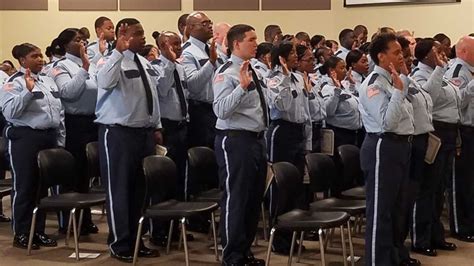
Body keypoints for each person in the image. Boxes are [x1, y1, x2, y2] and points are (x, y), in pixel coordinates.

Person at [95, 18, 162, 262]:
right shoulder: (108, 60)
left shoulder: (142, 61)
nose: (143, 37)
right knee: (119, 190)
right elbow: (104, 82)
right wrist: (117, 53)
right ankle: (119, 242)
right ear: (123, 35)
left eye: (143, 32)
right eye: (137, 33)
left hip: (143, 133)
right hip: (118, 134)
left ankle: (136, 240)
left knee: (139, 191)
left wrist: (157, 125)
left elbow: (150, 95)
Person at [358, 33, 418, 266]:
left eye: (401, 52)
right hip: (383, 146)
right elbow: (387, 122)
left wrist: (401, 85)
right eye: (396, 53)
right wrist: (399, 91)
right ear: (381, 57)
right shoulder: (374, 83)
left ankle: (394, 256)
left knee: (398, 208)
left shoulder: (395, 79)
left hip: (400, 146)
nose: (402, 56)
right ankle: (377, 261)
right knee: (381, 210)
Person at [213, 24, 269, 266]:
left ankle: (245, 251)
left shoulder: (251, 69)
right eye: (251, 39)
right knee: (236, 198)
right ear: (236, 44)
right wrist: (242, 88)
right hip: (235, 140)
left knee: (253, 199)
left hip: (256, 140)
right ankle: (232, 256)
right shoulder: (227, 72)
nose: (256, 43)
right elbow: (221, 109)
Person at [1, 43, 62, 250]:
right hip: (26, 139)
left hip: (48, 137)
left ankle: (38, 231)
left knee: (42, 188)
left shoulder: (46, 80)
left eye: (41, 56)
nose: (41, 59)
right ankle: (22, 233)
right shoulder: (13, 83)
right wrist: (27, 92)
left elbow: (57, 112)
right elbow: (10, 113)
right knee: (25, 186)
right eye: (35, 56)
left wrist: (59, 139)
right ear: (22, 61)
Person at [50, 28, 100, 235]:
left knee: (86, 175)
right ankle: (68, 222)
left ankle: (85, 219)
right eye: (77, 40)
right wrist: (84, 68)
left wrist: (88, 65)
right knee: (73, 174)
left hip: (93, 121)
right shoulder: (61, 66)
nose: (83, 43)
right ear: (65, 45)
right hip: (74, 123)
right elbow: (67, 93)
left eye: (84, 39)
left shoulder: (93, 63)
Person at [409, 37, 453, 257]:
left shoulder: (441, 70)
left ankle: (436, 234)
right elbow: (431, 97)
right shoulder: (419, 74)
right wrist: (438, 70)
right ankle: (421, 238)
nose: (442, 52)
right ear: (426, 54)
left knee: (439, 189)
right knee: (426, 189)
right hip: (432, 132)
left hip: (447, 132)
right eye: (437, 50)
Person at [266, 41, 311, 254]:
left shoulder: (298, 77)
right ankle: (278, 237)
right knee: (280, 185)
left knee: (295, 186)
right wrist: (283, 78)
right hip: (281, 132)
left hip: (297, 132)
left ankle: (292, 235)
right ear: (281, 57)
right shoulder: (274, 79)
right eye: (292, 53)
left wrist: (307, 141)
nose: (296, 56)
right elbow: (281, 106)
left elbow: (305, 111)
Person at [444, 36, 474, 242]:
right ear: (463, 51)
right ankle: (460, 226)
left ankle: (470, 221)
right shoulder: (457, 72)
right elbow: (455, 101)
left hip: (471, 130)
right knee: (460, 181)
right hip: (461, 130)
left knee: (471, 181)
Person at [182, 11, 223, 148]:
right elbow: (192, 85)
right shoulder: (187, 51)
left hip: (216, 109)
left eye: (210, 23)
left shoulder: (213, 49)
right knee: (202, 159)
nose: (210, 26)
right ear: (191, 27)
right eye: (204, 24)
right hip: (199, 111)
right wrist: (211, 62)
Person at [320, 56, 362, 148]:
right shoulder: (327, 89)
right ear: (332, 70)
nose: (345, 71)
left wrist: (352, 84)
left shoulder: (344, 85)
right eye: (342, 68)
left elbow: (358, 99)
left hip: (354, 133)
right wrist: (337, 91)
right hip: (339, 134)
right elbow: (328, 111)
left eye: (345, 67)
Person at [295, 44, 325, 152]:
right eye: (309, 60)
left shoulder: (312, 80)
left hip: (319, 128)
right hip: (306, 130)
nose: (313, 63)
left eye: (314, 59)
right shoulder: (297, 82)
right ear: (297, 62)